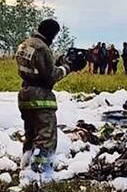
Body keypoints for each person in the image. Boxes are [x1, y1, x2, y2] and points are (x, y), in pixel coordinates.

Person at [15, 18, 84, 182]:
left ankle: (25, 166)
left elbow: (37, 68)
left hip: (25, 95)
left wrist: (57, 62)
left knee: (30, 134)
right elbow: (50, 76)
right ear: (52, 33)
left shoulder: (24, 45)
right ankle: (40, 172)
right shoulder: (42, 48)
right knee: (46, 136)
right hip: (41, 98)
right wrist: (68, 67)